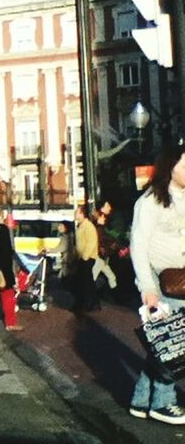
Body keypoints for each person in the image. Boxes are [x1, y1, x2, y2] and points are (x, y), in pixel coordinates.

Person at [129, 141, 185, 425]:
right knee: (176, 344)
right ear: (170, 166)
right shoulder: (150, 201)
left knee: (167, 342)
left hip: (183, 279)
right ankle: (163, 402)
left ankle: (141, 400)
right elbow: (138, 245)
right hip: (165, 283)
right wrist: (147, 288)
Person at [74, 206, 101, 312]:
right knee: (86, 281)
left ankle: (89, 303)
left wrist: (85, 256)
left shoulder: (88, 226)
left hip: (87, 258)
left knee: (86, 282)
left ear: (82, 214)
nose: (75, 215)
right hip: (83, 257)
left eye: (77, 213)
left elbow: (91, 242)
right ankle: (91, 303)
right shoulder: (81, 226)